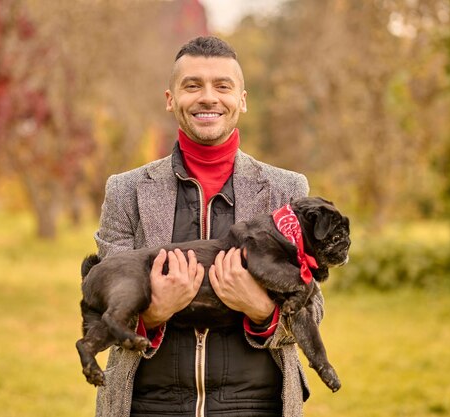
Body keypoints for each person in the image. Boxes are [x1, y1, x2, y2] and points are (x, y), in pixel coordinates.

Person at [93, 36, 323, 417]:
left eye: (222, 86)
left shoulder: (287, 190)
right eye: (193, 85)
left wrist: (262, 310)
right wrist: (150, 314)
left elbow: (312, 312)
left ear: (242, 100)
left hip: (255, 405)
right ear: (171, 99)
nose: (208, 98)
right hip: (149, 406)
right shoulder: (126, 191)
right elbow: (101, 302)